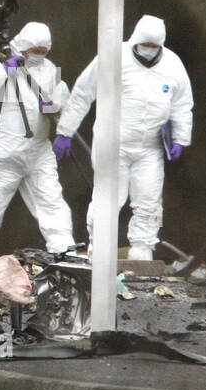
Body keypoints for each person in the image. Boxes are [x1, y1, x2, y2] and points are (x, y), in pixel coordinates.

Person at [54, 15, 193, 261]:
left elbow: (182, 104)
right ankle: (100, 255)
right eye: (144, 45)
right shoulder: (113, 57)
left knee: (148, 203)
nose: (148, 51)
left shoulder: (173, 65)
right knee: (107, 199)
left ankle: (142, 256)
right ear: (135, 41)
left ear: (160, 45)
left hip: (151, 147)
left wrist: (180, 138)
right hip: (112, 144)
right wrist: (65, 130)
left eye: (153, 47)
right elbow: (82, 93)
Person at [0, 21, 75, 268]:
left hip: (37, 152)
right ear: (23, 47)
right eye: (35, 51)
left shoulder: (47, 70)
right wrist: (2, 72)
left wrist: (62, 125)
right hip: (2, 153)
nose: (40, 56)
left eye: (44, 52)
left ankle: (65, 255)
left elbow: (60, 103)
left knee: (52, 204)